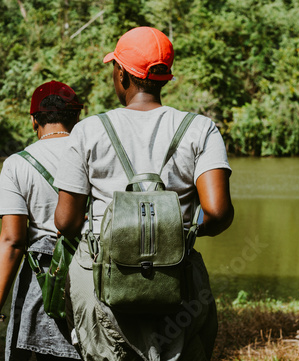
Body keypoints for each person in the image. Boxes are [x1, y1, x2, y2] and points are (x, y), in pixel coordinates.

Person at [54, 27, 234, 360]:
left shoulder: (89, 130)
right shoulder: (199, 128)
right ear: (165, 77)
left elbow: (65, 221)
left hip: (101, 281)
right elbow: (219, 213)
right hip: (175, 279)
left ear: (121, 73)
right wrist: (177, 234)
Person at [0, 81, 84, 361]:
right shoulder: (93, 152)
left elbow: (13, 241)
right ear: (77, 117)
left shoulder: (18, 164)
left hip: (45, 284)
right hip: (94, 275)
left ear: (33, 119)